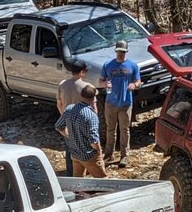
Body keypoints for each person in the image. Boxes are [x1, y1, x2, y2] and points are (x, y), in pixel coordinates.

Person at [100, 40, 142, 168]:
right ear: (115, 51)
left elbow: (138, 81)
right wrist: (104, 84)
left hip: (126, 102)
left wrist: (134, 85)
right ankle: (109, 154)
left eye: (123, 52)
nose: (120, 54)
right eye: (119, 51)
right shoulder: (107, 65)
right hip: (110, 102)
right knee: (110, 129)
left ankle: (124, 155)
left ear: (126, 52)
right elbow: (100, 81)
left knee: (124, 129)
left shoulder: (133, 65)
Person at [55, 85, 107, 178]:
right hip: (88, 155)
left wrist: (69, 136)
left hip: (75, 153)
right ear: (94, 98)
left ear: (81, 96)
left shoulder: (69, 109)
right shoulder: (91, 116)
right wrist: (99, 151)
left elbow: (58, 126)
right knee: (103, 180)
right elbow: (94, 141)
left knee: (78, 180)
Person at [56, 59, 94, 175]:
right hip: (83, 122)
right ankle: (86, 171)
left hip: (68, 123)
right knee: (86, 148)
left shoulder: (62, 85)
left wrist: (64, 117)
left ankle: (70, 173)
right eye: (85, 71)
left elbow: (59, 104)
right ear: (82, 72)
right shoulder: (87, 87)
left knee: (69, 149)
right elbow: (93, 107)